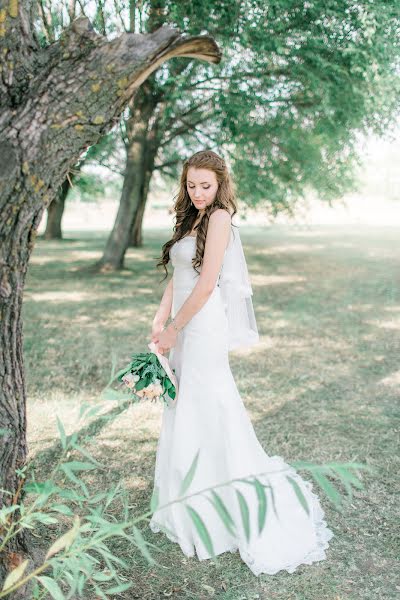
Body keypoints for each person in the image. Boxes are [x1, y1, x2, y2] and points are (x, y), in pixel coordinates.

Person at [148, 150, 334, 576]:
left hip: (202, 324)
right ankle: (184, 500)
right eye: (191, 185)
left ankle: (219, 505)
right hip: (182, 320)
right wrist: (161, 318)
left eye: (205, 186)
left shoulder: (219, 219)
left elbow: (208, 282)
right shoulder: (190, 217)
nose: (197, 193)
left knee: (207, 402)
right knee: (182, 403)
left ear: (220, 184)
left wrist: (176, 325)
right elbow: (179, 276)